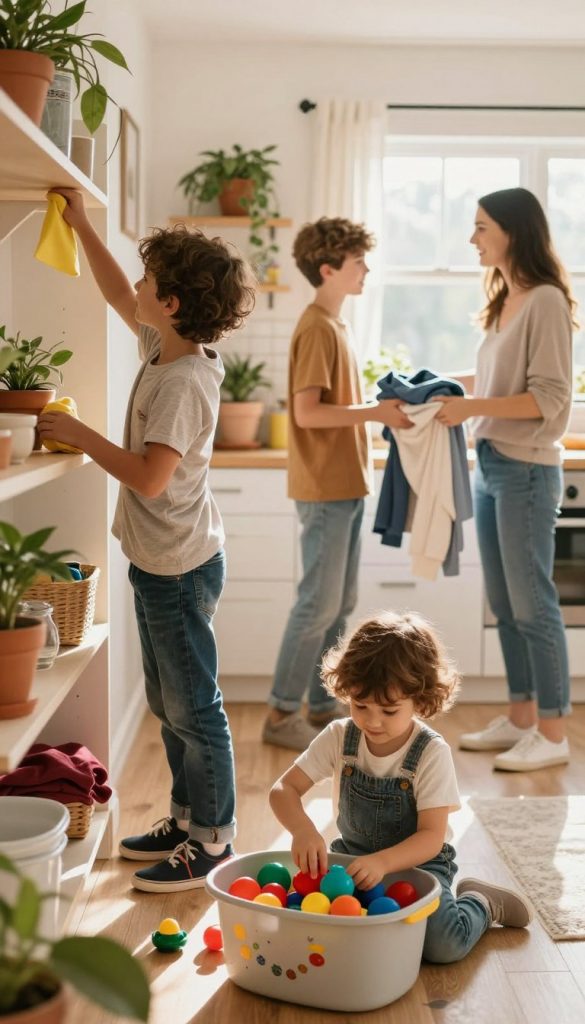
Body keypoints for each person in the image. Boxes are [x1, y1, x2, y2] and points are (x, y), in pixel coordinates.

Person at [38, 189, 255, 892]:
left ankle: (214, 840)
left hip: (179, 568)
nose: (134, 288)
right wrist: (79, 225)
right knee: (170, 704)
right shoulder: (165, 344)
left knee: (195, 706)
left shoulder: (182, 381)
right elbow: (112, 291)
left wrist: (79, 434)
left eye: (147, 282)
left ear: (169, 304)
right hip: (162, 561)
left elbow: (150, 479)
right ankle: (187, 816)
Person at [269, 612, 532, 963]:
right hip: (352, 861)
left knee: (443, 946)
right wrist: (302, 830)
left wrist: (385, 862)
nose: (372, 720)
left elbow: (431, 837)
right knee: (316, 924)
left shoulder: (431, 753)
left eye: (389, 710)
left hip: (420, 866)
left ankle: (480, 904)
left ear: (420, 701)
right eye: (360, 705)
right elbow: (283, 789)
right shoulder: (339, 737)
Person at [434, 187, 575, 772]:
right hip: (491, 464)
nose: (472, 239)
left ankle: (554, 732)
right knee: (504, 603)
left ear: (514, 231)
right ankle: (520, 719)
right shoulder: (506, 299)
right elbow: (494, 378)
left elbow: (550, 398)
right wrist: (443, 386)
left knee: (533, 604)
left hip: (526, 470)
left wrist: (470, 409)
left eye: (481, 227)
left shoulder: (544, 300)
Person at [262, 217, 413, 751]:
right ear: (328, 269)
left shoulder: (337, 325)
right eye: (357, 263)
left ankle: (322, 702)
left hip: (343, 486)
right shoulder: (317, 328)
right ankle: (282, 714)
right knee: (316, 605)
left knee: (339, 603)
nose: (366, 269)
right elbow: (307, 414)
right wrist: (376, 413)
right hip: (325, 488)